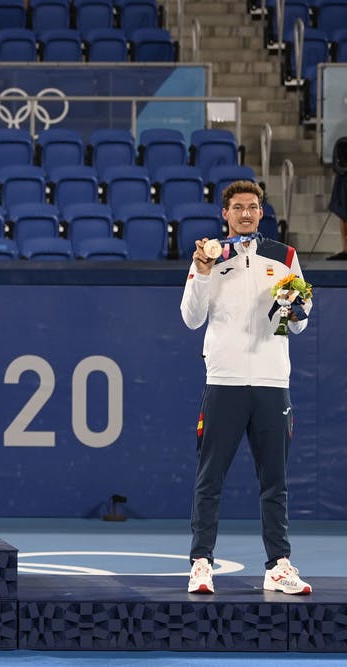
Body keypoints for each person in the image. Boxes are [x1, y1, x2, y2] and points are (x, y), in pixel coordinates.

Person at [181, 180, 313, 596]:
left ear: (261, 212)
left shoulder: (286, 256)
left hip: (273, 382)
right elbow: (190, 318)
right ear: (226, 214)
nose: (245, 213)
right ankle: (201, 564)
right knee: (210, 479)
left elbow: (299, 322)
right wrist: (201, 275)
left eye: (252, 207)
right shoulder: (209, 256)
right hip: (224, 381)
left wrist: (291, 308)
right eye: (237, 207)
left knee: (275, 480)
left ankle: (278, 566)